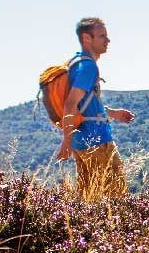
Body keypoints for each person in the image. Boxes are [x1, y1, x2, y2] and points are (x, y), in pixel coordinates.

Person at [55, 17, 135, 201]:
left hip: (81, 142)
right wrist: (65, 141)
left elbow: (85, 104)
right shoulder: (88, 67)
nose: (108, 40)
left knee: (90, 199)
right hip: (97, 141)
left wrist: (113, 113)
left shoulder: (75, 63)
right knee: (117, 198)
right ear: (87, 39)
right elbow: (70, 103)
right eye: (102, 36)